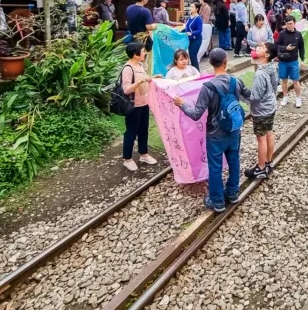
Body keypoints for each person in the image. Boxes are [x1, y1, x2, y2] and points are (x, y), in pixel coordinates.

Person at [173, 48, 251, 213]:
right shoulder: (236, 81)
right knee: (234, 161)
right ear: (226, 62)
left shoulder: (208, 87)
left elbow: (195, 114)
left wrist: (182, 103)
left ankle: (217, 202)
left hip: (215, 135)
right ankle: (233, 193)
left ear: (210, 63)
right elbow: (249, 96)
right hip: (234, 130)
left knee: (215, 167)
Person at [119, 41, 160, 172]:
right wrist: (139, 81)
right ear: (135, 54)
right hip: (133, 106)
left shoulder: (140, 65)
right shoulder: (128, 68)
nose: (145, 53)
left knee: (143, 129)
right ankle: (127, 158)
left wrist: (152, 78)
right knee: (131, 132)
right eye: (142, 51)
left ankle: (144, 154)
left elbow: (144, 79)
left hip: (144, 103)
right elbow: (126, 90)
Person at [246, 41, 279, 180]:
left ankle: (260, 168)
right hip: (271, 106)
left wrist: (242, 94)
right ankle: (268, 162)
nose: (257, 48)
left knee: (261, 138)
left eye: (261, 47)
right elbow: (274, 85)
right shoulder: (271, 67)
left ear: (266, 54)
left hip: (261, 110)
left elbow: (255, 97)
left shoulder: (260, 73)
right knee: (269, 133)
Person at [277, 17, 305, 109]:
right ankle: (285, 96)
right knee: (284, 80)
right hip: (283, 61)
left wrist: (302, 59)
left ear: (294, 23)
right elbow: (277, 46)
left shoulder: (298, 34)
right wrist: (286, 48)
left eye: (291, 23)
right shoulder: (281, 34)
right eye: (287, 23)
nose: (289, 25)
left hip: (293, 61)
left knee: (295, 81)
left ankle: (298, 98)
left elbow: (301, 47)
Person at [181, 2, 204, 71]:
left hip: (196, 39)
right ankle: (193, 71)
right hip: (189, 39)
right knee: (190, 55)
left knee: (193, 55)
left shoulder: (198, 19)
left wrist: (191, 33)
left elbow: (199, 30)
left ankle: (197, 72)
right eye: (190, 7)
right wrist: (180, 31)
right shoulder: (190, 17)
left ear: (196, 9)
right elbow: (187, 28)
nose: (190, 8)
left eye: (192, 7)